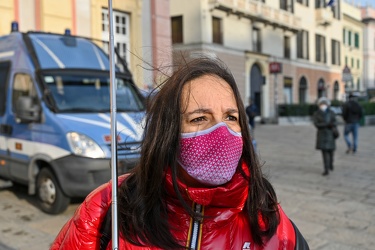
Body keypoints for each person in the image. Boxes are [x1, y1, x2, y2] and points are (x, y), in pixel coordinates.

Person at [51, 57, 309, 249]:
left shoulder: (267, 216)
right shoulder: (109, 206)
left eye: (231, 117)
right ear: (169, 131)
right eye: (199, 118)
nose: (221, 130)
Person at [313, 97, 337, 176]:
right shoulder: (316, 114)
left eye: (324, 104)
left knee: (331, 152)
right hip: (322, 135)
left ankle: (331, 163)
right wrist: (326, 124)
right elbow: (316, 124)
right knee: (324, 153)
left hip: (330, 134)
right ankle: (326, 169)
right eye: (321, 104)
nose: (323, 105)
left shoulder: (331, 112)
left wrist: (332, 125)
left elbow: (335, 122)